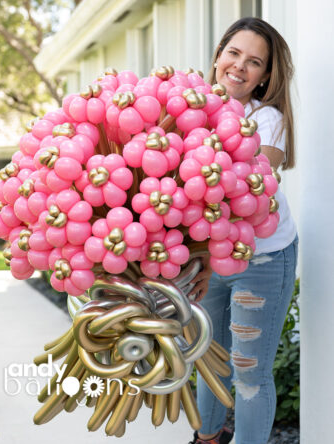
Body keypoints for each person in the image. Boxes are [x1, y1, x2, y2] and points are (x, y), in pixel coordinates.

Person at [188, 17, 298, 444]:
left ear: (265, 76)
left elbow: (251, 194)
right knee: (211, 361)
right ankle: (207, 438)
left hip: (263, 258)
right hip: (211, 257)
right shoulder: (190, 109)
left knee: (249, 370)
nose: (239, 66)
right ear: (218, 56)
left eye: (254, 62)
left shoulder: (267, 119)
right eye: (233, 53)